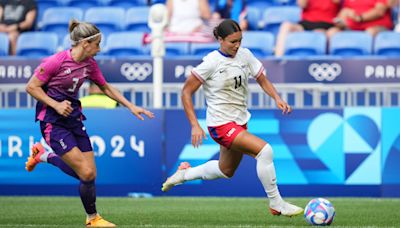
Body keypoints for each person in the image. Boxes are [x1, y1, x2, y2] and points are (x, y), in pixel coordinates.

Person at [162, 19, 303, 217]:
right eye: (232, 42)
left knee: (225, 170)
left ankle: (184, 174)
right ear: (220, 39)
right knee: (265, 151)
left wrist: (277, 98)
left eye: (240, 40)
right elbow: (186, 92)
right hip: (220, 125)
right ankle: (276, 203)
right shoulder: (211, 62)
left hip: (239, 122)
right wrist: (194, 124)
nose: (237, 45)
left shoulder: (244, 55)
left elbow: (261, 78)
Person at [25, 19, 154, 227]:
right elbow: (31, 87)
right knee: (85, 173)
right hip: (52, 121)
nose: (99, 49)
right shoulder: (56, 61)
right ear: (85, 44)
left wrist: (131, 106)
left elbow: (106, 87)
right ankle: (92, 218)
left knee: (90, 174)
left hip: (74, 118)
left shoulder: (89, 64)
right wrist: (56, 105)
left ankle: (42, 155)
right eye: (97, 44)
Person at [275, 0, 341, 57]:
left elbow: (337, 1)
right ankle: (277, 59)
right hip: (306, 23)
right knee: (286, 25)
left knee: (318, 33)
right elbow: (302, 4)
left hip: (326, 24)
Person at [328, 0, 394, 37]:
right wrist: (341, 22)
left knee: (370, 32)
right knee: (332, 32)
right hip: (353, 28)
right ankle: (331, 60)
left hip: (376, 27)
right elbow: (344, 12)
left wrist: (360, 18)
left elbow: (379, 11)